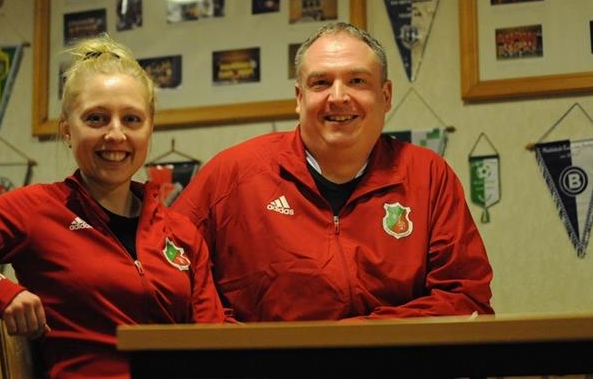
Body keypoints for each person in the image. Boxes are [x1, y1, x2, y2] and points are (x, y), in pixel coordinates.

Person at [0, 34, 224, 378]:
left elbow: (213, 343)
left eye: (131, 119)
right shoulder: (34, 209)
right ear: (67, 130)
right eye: (96, 119)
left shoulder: (180, 231)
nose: (115, 134)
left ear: (150, 128)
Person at [173, 22, 494, 321]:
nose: (338, 97)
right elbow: (170, 279)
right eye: (321, 82)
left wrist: (356, 343)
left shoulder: (427, 175)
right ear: (300, 98)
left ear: (385, 97)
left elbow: (466, 298)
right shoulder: (234, 174)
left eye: (357, 81)